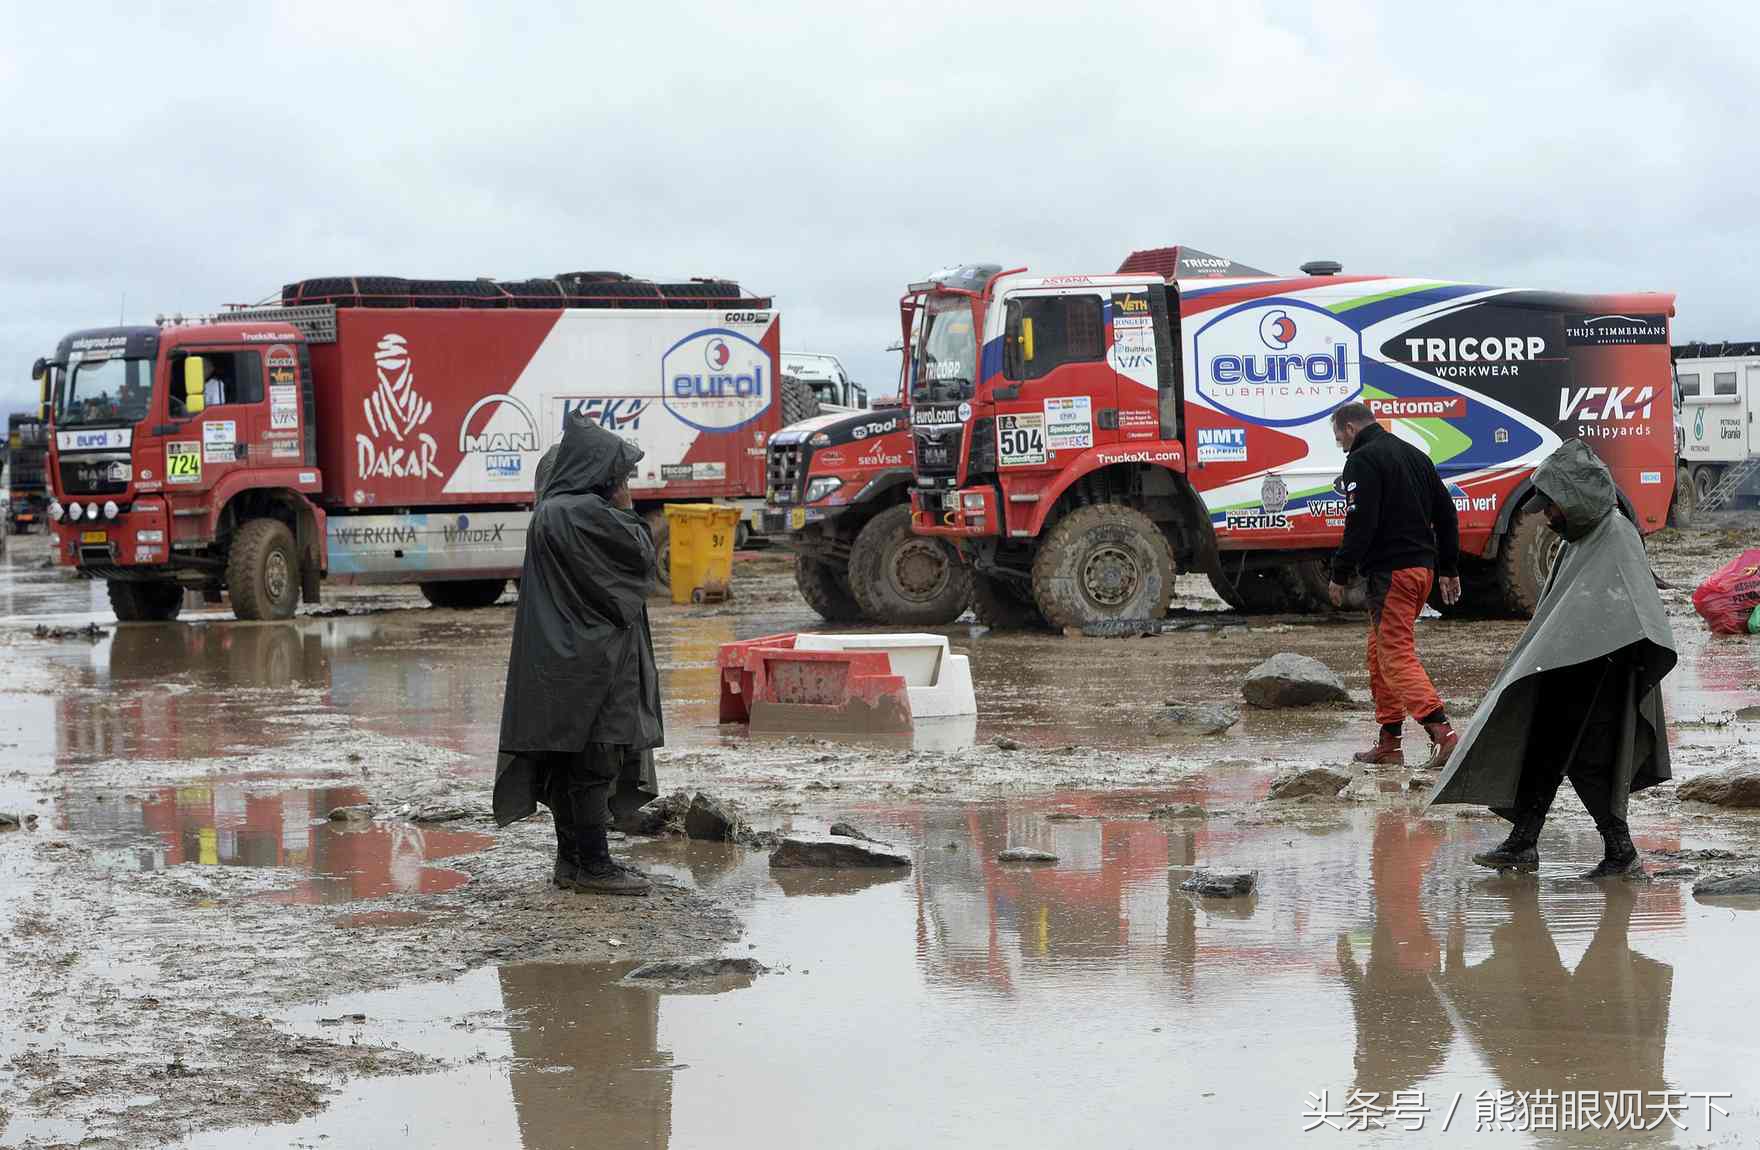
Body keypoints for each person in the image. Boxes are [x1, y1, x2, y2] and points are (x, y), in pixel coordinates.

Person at [1429, 439, 1675, 878]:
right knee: (1548, 748)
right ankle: (1530, 842)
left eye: (1552, 506)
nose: (1547, 515)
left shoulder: (1615, 535)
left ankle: (1614, 852)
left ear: (1575, 498)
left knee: (1586, 757)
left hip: (1604, 669)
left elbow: (1638, 613)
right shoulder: (1578, 538)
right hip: (1569, 665)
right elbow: (1558, 609)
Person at [493, 414, 662, 895]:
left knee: (573, 759)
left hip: (567, 659)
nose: (626, 486)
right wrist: (627, 511)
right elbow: (637, 558)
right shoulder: (577, 513)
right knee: (595, 758)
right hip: (590, 663)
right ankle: (593, 865)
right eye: (621, 476)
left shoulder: (555, 511)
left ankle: (573, 862)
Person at [1325, 402, 1461, 769]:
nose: (1339, 444)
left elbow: (1360, 522)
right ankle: (1390, 743)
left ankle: (1444, 734)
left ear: (1351, 428)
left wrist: (1340, 573)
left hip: (1392, 574)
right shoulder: (1414, 454)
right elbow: (1447, 513)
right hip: (1422, 571)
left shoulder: (1362, 459)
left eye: (1338, 436)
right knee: (1378, 652)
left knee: (1395, 654)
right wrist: (1449, 568)